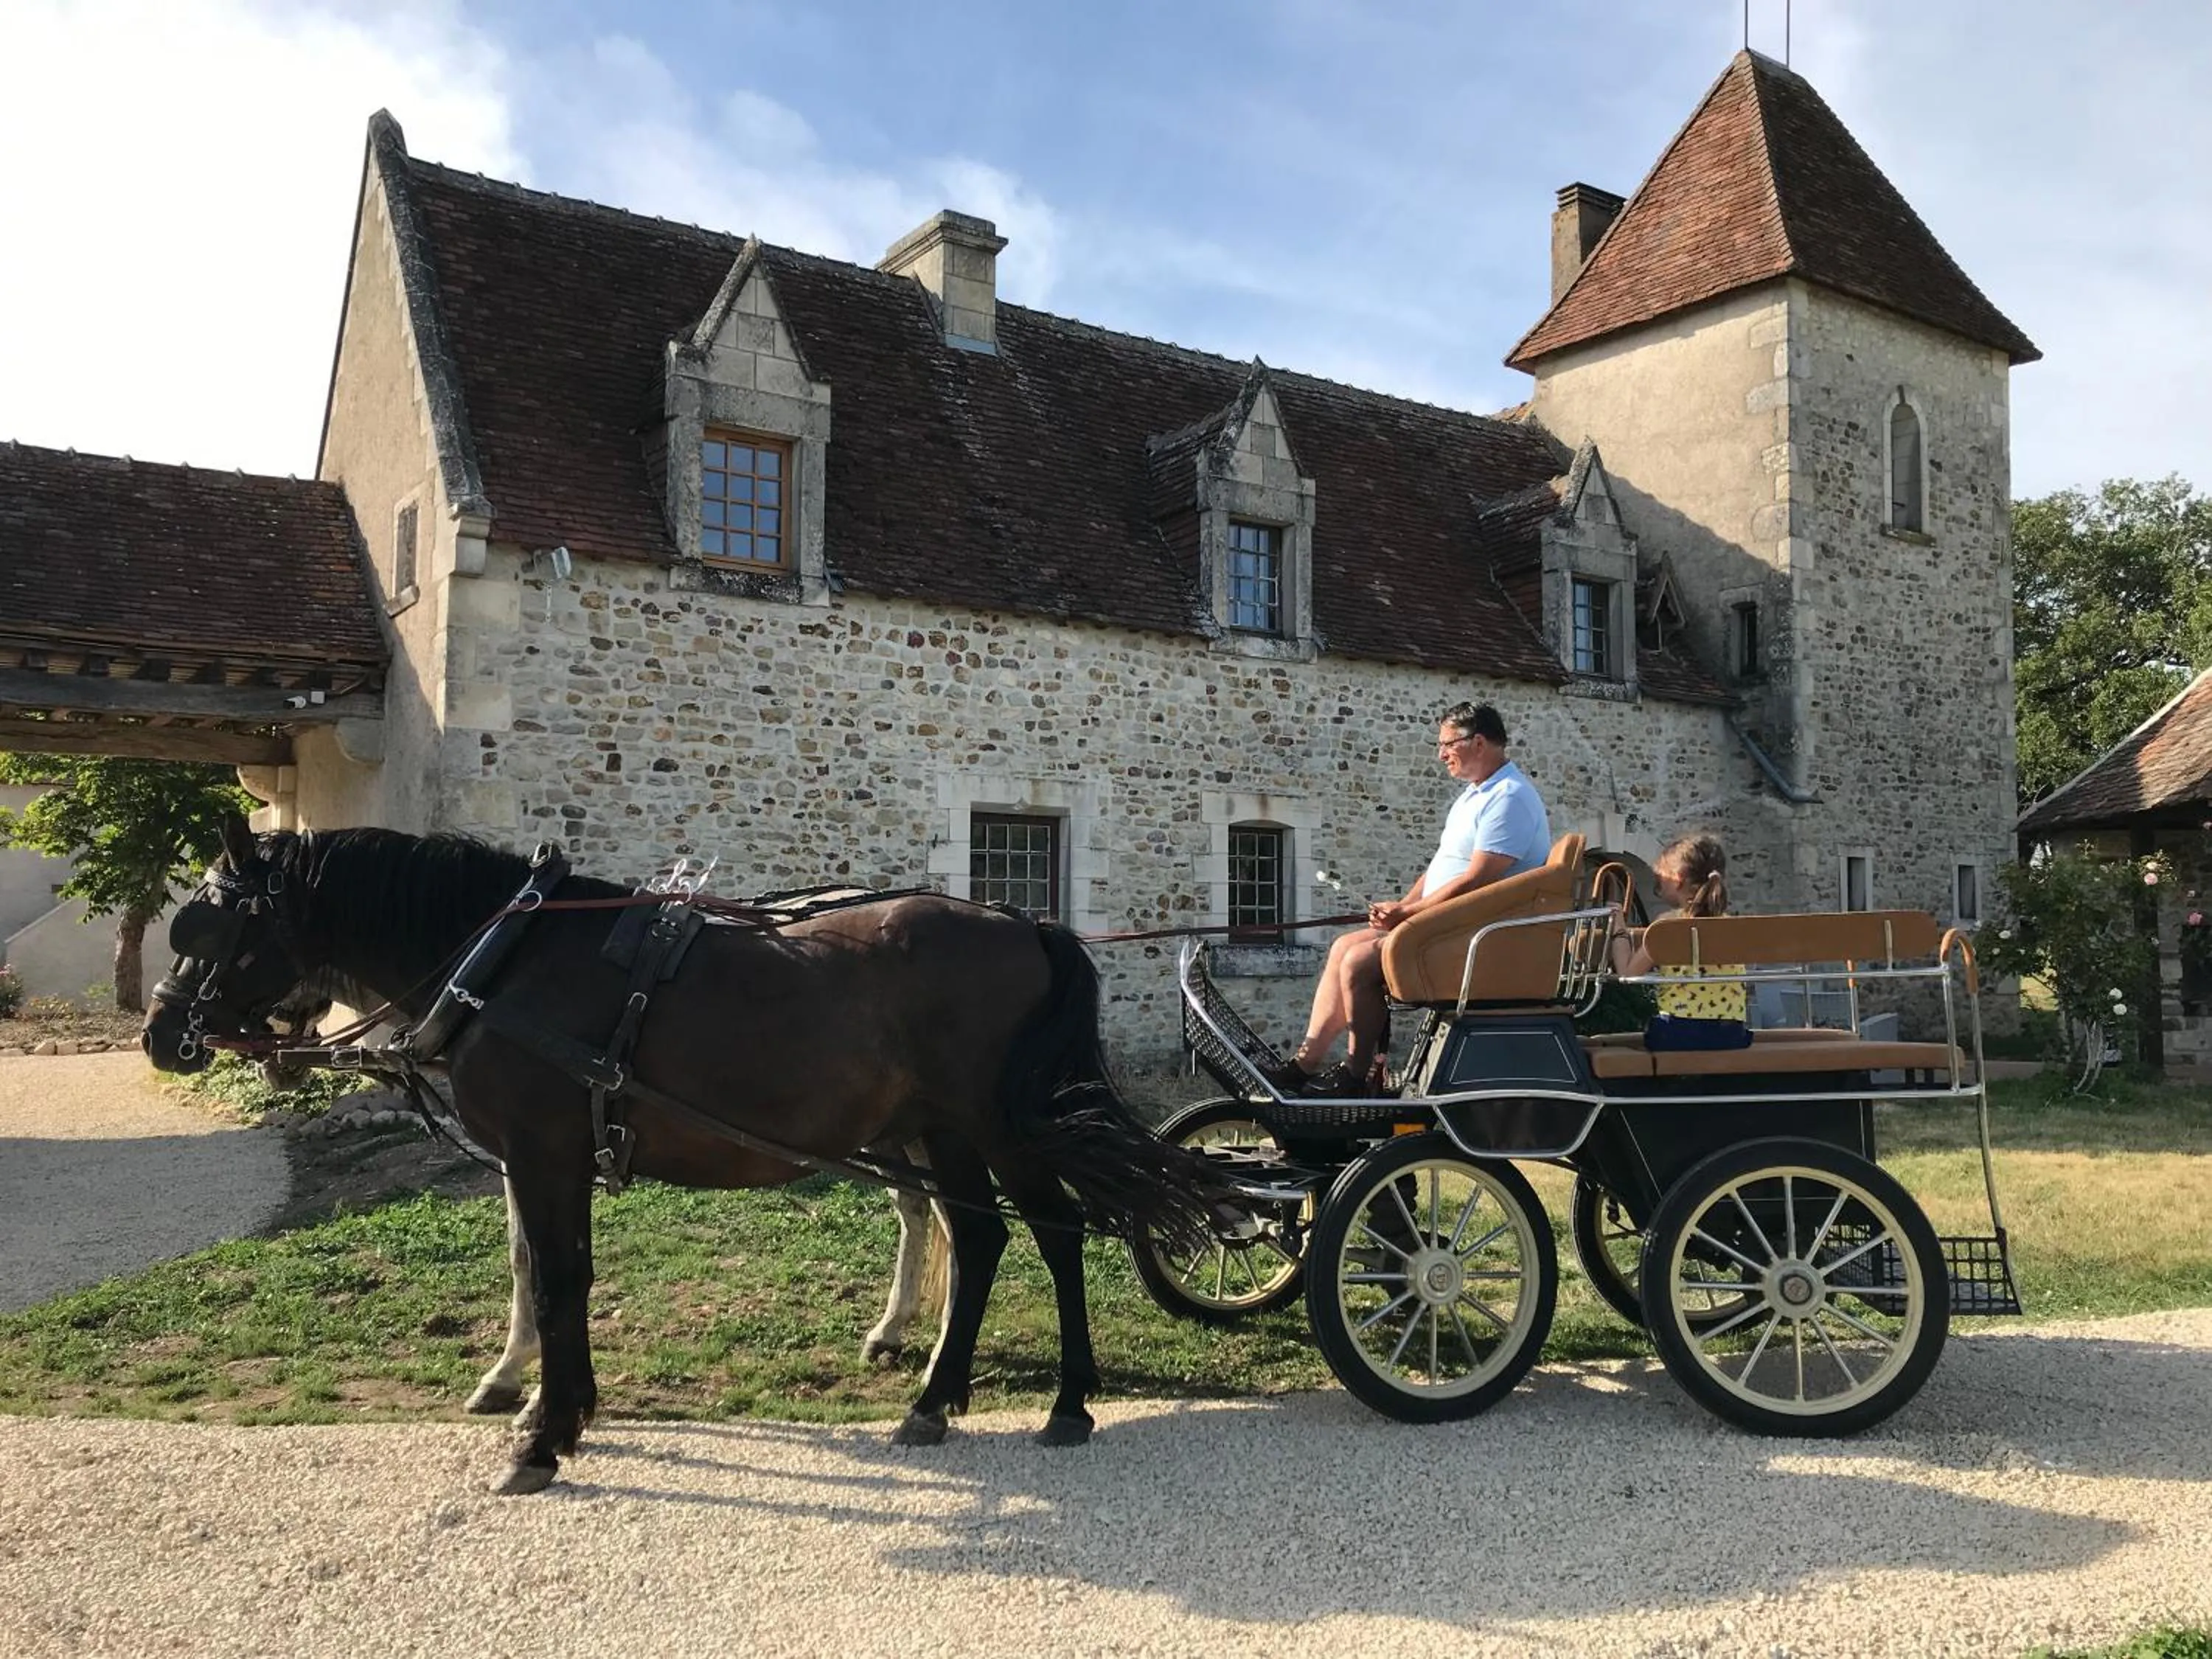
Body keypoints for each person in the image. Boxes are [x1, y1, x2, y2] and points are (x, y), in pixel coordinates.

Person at [1268, 702, 1551, 1097]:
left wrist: (1410, 914)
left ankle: (1356, 1076)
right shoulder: (1476, 795)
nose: (1441, 754)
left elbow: (1476, 881)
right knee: (1343, 947)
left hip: (1478, 937)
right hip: (1451, 925)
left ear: (1479, 742)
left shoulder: (1509, 798)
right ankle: (1304, 1065)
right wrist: (1402, 907)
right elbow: (1439, 870)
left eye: (1448, 744)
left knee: (1361, 962)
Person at [1607, 831, 1753, 1051]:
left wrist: (1617, 923)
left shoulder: (1667, 926)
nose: (1659, 886)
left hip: (1676, 1034)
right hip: (1730, 1034)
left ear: (1677, 879)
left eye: (1660, 880)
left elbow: (1628, 975)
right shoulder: (1731, 927)